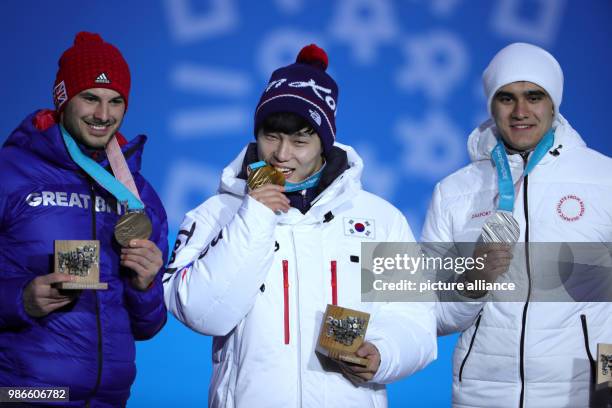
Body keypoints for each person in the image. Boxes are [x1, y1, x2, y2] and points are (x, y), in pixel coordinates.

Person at [163, 44, 436, 407]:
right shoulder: (216, 213)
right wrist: (255, 215)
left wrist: (383, 354)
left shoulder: (381, 220)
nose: (281, 154)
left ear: (324, 142)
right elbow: (202, 312)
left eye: (300, 141)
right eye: (271, 136)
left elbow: (415, 320)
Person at [422, 42, 612, 407]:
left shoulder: (604, 180)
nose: (521, 111)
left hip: (577, 396)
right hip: (482, 395)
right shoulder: (454, 192)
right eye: (506, 98)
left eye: (534, 96)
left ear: (553, 102)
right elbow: (431, 314)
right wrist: (470, 284)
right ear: (491, 105)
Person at [0, 32, 168, 407]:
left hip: (108, 399)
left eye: (115, 101)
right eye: (90, 98)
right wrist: (19, 299)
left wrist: (146, 286)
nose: (103, 115)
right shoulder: (9, 175)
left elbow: (149, 325)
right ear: (63, 99)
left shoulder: (138, 195)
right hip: (26, 394)